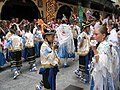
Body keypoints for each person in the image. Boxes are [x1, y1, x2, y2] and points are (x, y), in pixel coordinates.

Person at [90, 26, 119, 90]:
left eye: (96, 34)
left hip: (102, 77)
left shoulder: (103, 46)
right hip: (107, 75)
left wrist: (94, 50)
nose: (94, 36)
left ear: (103, 35)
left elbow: (100, 63)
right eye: (93, 34)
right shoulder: (107, 44)